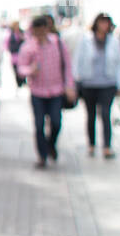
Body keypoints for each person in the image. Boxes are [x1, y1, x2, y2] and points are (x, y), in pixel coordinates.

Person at [15, 14, 77, 169]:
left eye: (42, 31)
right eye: (37, 32)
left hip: (56, 91)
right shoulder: (29, 46)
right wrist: (30, 70)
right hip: (38, 92)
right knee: (39, 124)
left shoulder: (58, 43)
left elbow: (67, 66)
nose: (40, 35)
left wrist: (69, 86)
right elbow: (20, 68)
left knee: (56, 122)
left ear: (47, 29)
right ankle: (42, 156)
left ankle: (51, 145)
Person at [74, 13, 120, 158]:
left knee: (105, 114)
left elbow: (119, 63)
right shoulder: (86, 40)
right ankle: (91, 144)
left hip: (107, 83)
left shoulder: (114, 41)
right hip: (89, 82)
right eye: (101, 22)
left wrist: (119, 83)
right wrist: (76, 79)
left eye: (106, 23)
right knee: (90, 115)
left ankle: (107, 146)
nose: (103, 26)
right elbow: (78, 59)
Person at [6, 21, 26, 87]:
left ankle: (22, 81)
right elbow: (8, 44)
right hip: (14, 56)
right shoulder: (11, 34)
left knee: (22, 69)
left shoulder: (22, 32)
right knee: (16, 70)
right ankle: (19, 83)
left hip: (22, 55)